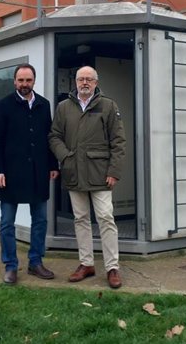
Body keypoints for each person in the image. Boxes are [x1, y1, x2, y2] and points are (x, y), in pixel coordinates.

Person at [48, 65, 126, 289]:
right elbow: (54, 136)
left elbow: (118, 142)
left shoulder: (108, 106)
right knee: (80, 219)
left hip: (101, 174)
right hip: (74, 172)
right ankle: (86, 264)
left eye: (89, 79)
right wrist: (65, 157)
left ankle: (112, 267)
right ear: (75, 82)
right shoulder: (63, 107)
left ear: (95, 82)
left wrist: (114, 171)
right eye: (81, 79)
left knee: (105, 218)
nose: (84, 83)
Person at [0, 63, 59, 285]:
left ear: (34, 81)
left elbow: (49, 138)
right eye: (20, 80)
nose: (24, 84)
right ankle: (11, 266)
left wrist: (53, 165)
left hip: (38, 174)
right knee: (7, 222)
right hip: (10, 175)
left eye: (28, 80)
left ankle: (35, 262)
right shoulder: (3, 106)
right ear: (14, 82)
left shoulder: (43, 105)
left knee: (40, 220)